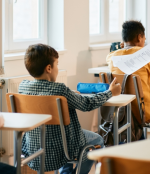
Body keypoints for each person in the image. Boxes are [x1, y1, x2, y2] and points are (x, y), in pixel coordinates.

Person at [19, 44, 121, 174]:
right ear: (49, 68)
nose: (58, 68)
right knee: (98, 140)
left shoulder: (23, 87)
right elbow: (87, 104)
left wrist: (70, 95)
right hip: (62, 149)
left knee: (68, 137)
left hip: (34, 148)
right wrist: (110, 92)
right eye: (57, 64)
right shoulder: (60, 90)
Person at [106, 20, 150, 139]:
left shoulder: (112, 56)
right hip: (141, 110)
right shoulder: (147, 54)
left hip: (120, 110)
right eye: (144, 38)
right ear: (139, 37)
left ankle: (140, 140)